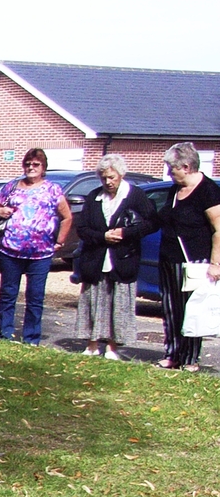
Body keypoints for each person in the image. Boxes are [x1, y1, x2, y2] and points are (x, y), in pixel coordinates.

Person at [73, 155, 157, 359]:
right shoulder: (94, 197)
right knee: (94, 302)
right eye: (103, 178)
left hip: (123, 258)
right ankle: (91, 345)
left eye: (111, 177)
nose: (108, 182)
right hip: (96, 259)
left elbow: (151, 223)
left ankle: (112, 347)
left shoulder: (135, 195)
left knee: (117, 306)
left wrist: (124, 234)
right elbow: (82, 228)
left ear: (121, 175)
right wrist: (103, 236)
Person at [0, 148, 73, 344]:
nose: (31, 168)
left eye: (36, 164)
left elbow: (67, 217)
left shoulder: (53, 190)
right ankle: (5, 335)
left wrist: (59, 241)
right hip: (10, 251)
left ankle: (31, 339)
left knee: (35, 299)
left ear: (43, 168)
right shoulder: (11, 186)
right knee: (8, 294)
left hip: (40, 255)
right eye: (28, 164)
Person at [155, 142, 220, 371]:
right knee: (171, 308)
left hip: (196, 261)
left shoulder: (208, 190)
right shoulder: (175, 190)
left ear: (186, 166)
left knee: (192, 310)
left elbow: (218, 229)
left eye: (172, 168)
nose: (169, 173)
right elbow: (161, 219)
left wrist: (216, 263)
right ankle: (172, 354)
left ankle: (191, 358)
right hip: (169, 259)